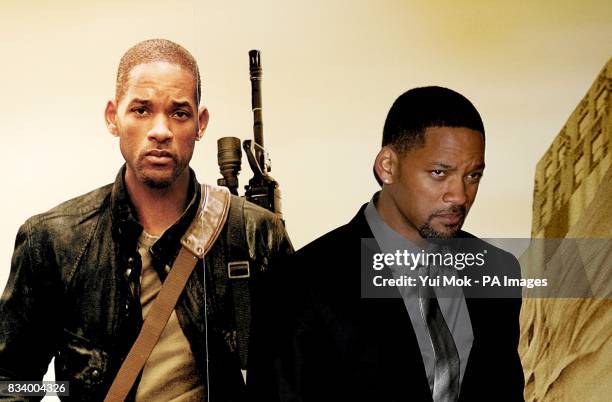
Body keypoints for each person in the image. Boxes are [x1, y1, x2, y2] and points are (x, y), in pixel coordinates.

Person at [0, 39, 292, 401]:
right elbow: (10, 381)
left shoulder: (255, 234)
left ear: (200, 124)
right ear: (113, 117)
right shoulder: (54, 240)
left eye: (179, 113)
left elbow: (295, 376)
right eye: (141, 110)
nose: (161, 130)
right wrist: (64, 389)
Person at [248, 86, 524, 401]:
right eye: (439, 173)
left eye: (473, 176)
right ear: (388, 166)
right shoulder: (296, 286)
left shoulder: (497, 269)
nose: (459, 196)